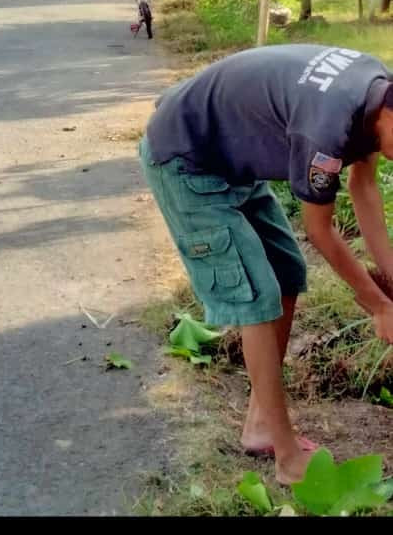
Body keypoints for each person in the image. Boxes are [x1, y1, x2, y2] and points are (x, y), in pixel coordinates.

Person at [139, 43, 393, 486]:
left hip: (232, 159)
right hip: (186, 158)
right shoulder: (328, 127)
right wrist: (378, 307)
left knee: (287, 272)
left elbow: (365, 188)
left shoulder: (378, 92)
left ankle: (260, 424)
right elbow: (320, 231)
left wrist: (391, 282)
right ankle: (287, 458)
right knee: (257, 295)